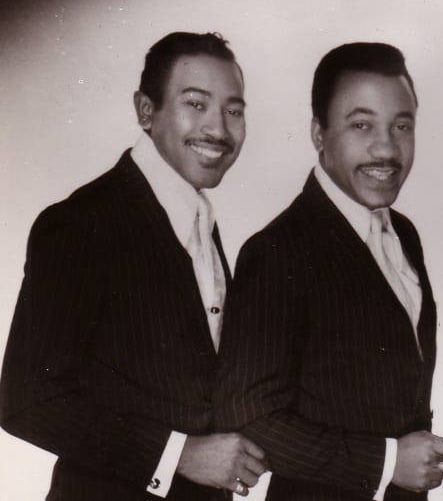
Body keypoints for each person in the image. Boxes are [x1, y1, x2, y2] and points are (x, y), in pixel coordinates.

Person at [0, 32, 268, 500]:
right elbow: (26, 401)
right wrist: (177, 456)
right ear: (147, 111)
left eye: (234, 110)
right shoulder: (82, 222)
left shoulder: (198, 215)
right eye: (196, 103)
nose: (219, 129)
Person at [214, 42, 443, 501]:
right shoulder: (278, 251)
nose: (386, 147)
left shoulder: (402, 232)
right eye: (361, 124)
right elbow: (249, 416)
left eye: (401, 126)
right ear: (319, 133)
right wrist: (387, 462)